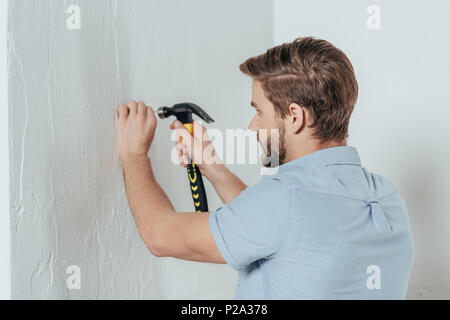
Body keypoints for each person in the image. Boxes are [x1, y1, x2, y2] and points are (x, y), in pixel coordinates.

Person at [115, 36, 414, 299]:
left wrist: (134, 155)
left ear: (294, 116)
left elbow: (159, 235)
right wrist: (210, 165)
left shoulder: (282, 202)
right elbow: (274, 227)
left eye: (259, 111)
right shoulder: (387, 198)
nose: (252, 125)